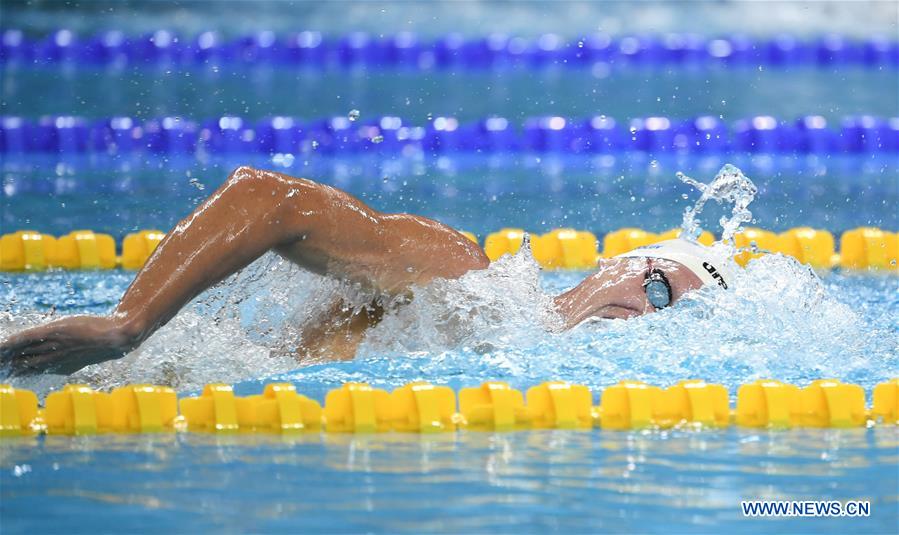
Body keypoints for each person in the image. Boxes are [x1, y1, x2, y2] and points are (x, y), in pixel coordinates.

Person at [0, 166, 731, 377]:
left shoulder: (527, 371)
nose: (648, 314)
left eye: (674, 317)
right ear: (618, 264)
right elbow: (271, 198)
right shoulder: (468, 283)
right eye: (659, 285)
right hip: (94, 374)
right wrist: (127, 325)